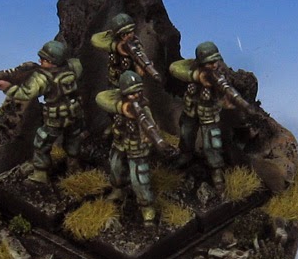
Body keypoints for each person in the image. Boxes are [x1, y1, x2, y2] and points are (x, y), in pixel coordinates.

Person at [169, 41, 256, 193]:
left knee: (212, 144)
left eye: (215, 61)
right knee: (186, 134)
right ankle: (185, 155)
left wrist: (231, 102)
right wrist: (197, 76)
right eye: (210, 63)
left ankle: (216, 170)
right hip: (191, 111)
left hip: (208, 114)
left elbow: (227, 94)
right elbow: (174, 68)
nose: (214, 65)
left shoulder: (219, 76)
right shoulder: (195, 71)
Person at [0, 40, 83, 184]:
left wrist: (8, 88)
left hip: (55, 117)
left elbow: (26, 93)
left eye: (44, 59)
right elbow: (75, 65)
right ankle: (74, 166)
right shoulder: (74, 67)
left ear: (52, 61)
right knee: (73, 138)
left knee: (42, 143)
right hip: (74, 113)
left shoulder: (42, 77)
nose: (40, 61)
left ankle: (41, 174)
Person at [96, 71, 174, 225]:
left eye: (138, 92)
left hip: (137, 147)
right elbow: (101, 98)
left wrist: (151, 138)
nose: (136, 96)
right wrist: (122, 107)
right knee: (116, 167)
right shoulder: (119, 104)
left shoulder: (144, 110)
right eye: (132, 94)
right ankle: (118, 190)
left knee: (139, 178)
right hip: (120, 143)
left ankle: (147, 207)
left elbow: (151, 128)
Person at [91, 13, 153, 87]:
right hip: (114, 81)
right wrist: (116, 46)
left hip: (129, 83)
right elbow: (95, 39)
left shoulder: (136, 44)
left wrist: (140, 69)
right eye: (124, 34)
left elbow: (140, 56)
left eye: (130, 32)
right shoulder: (114, 41)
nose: (128, 36)